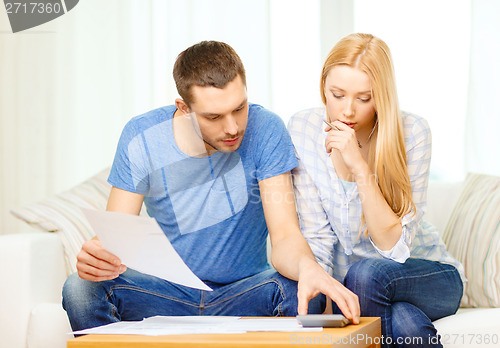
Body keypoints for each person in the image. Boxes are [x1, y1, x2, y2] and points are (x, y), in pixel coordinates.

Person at [62, 40, 360, 331]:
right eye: (213, 117)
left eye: (239, 108)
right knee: (80, 289)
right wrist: (98, 257)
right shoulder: (141, 136)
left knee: (306, 287)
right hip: (165, 294)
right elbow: (117, 238)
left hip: (244, 292)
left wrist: (309, 267)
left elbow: (284, 236)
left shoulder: (267, 128)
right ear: (183, 107)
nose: (232, 128)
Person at [287, 33, 465, 347]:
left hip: (429, 275)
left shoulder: (413, 132)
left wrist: (359, 167)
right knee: (402, 321)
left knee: (366, 274)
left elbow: (394, 248)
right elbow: (315, 239)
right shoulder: (303, 129)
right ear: (323, 87)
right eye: (337, 94)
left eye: (364, 98)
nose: (347, 111)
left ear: (381, 96)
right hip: (365, 290)